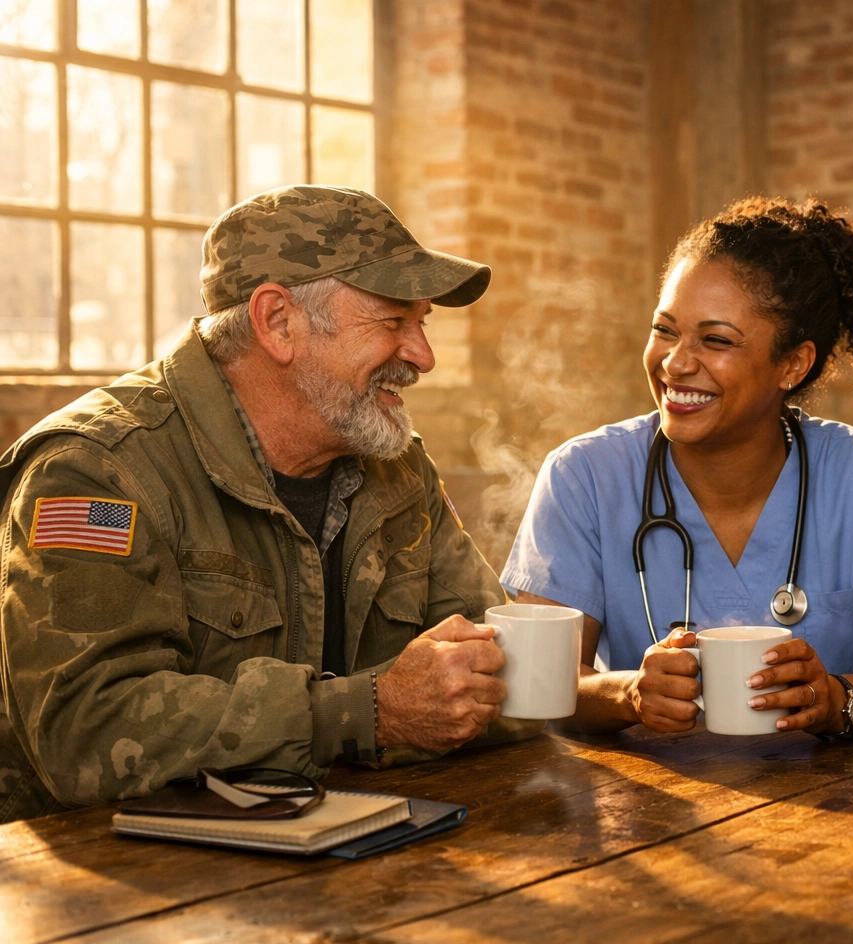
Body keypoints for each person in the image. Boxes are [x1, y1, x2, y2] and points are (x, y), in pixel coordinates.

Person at [0, 185, 540, 824]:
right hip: (123, 894)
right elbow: (86, 734)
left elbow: (506, 680)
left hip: (362, 862)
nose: (423, 354)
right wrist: (367, 713)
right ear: (279, 321)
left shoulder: (399, 469)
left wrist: (417, 711)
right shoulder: (96, 474)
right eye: (395, 322)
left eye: (422, 323)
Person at [503, 197, 853, 737]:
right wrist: (626, 693)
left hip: (837, 800)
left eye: (716, 340)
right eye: (665, 330)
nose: (676, 363)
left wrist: (836, 698)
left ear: (793, 363)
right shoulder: (583, 476)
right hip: (653, 807)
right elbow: (533, 682)